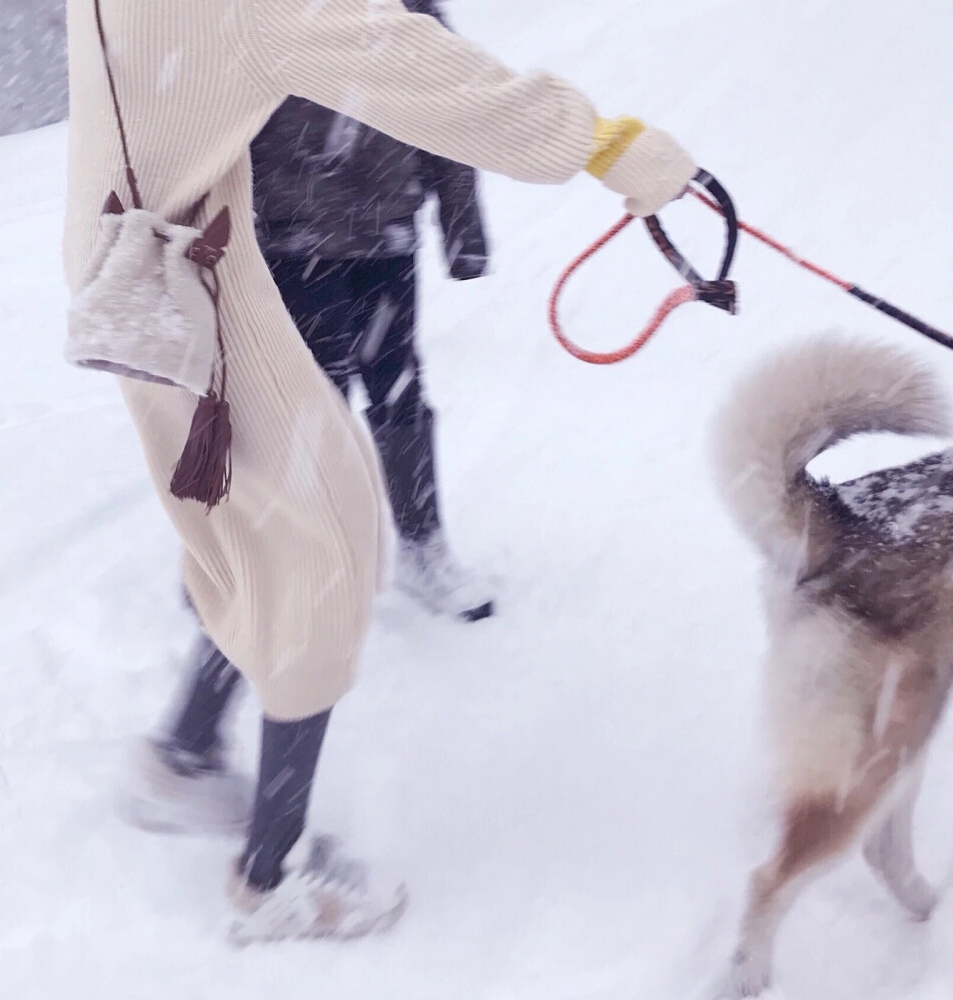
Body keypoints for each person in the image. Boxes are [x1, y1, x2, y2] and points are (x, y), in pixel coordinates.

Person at [64, 0, 696, 944]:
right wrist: (611, 145)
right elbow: (427, 75)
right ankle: (268, 878)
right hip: (225, 267)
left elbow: (403, 63)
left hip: (146, 267)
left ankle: (185, 755)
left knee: (262, 532)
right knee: (319, 559)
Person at [251, 0, 495, 623]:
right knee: (309, 405)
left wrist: (462, 227)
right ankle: (295, 557)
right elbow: (211, 126)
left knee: (399, 391)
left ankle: (421, 548)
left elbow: (451, 122)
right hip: (290, 242)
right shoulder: (260, 14)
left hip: (385, 239)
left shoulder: (412, 15)